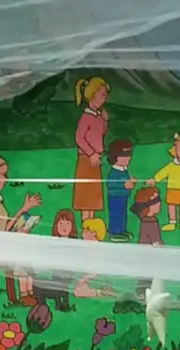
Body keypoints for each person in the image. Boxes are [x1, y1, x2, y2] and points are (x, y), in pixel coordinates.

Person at [0, 155, 41, 306]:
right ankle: (25, 294)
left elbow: (3, 228)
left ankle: (29, 292)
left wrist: (24, 209)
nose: (5, 179)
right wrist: (16, 234)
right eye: (2, 175)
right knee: (22, 255)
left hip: (1, 245)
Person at [73, 76, 109, 229]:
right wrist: (91, 154)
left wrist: (105, 121)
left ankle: (91, 228)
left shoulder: (97, 116)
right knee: (86, 199)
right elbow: (79, 137)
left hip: (95, 160)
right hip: (86, 160)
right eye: (102, 95)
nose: (104, 98)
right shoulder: (86, 116)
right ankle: (85, 228)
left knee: (93, 199)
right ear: (92, 94)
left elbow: (101, 133)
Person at [105, 140, 135, 238]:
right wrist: (124, 185)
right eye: (125, 155)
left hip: (123, 197)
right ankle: (114, 232)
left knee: (123, 214)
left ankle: (122, 230)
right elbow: (111, 184)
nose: (128, 158)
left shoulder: (124, 170)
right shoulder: (114, 171)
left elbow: (125, 181)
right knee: (116, 215)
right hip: (115, 197)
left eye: (129, 154)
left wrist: (130, 181)